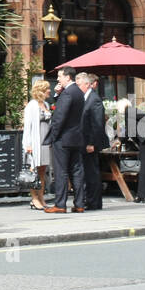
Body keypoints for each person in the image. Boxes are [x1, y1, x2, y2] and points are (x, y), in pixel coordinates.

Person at [43, 66, 85, 213]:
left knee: (61, 172)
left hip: (63, 138)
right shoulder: (79, 92)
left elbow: (59, 117)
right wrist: (58, 94)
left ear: (68, 77)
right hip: (76, 138)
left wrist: (52, 137)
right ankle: (79, 204)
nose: (58, 79)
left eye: (60, 76)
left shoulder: (68, 93)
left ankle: (60, 205)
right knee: (77, 171)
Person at [79, 72, 110, 210]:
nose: (78, 87)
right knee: (87, 172)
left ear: (87, 84)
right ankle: (89, 199)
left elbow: (97, 124)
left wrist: (92, 143)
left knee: (92, 172)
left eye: (79, 84)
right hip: (84, 142)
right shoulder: (85, 98)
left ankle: (94, 202)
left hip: (91, 143)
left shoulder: (94, 99)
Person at [21, 79, 52, 211]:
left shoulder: (46, 104)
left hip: (45, 142)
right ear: (41, 91)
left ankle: (41, 197)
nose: (49, 91)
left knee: (42, 172)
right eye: (47, 89)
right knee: (34, 172)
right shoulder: (31, 105)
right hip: (35, 142)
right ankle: (34, 198)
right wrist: (27, 144)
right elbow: (27, 126)